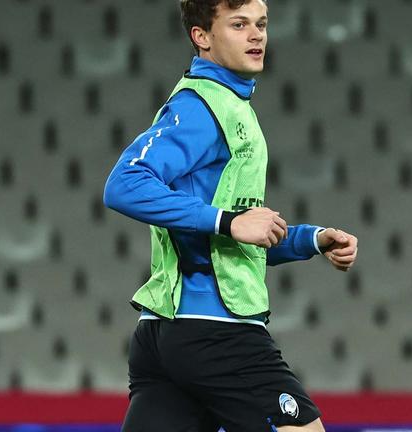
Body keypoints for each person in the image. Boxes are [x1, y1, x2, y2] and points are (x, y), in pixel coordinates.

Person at [103, 0, 359, 430]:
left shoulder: (233, 108)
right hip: (215, 330)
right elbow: (124, 184)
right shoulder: (201, 107)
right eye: (238, 25)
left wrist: (310, 240)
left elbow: (231, 239)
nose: (256, 35)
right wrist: (227, 221)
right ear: (201, 36)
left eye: (261, 24)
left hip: (163, 333)